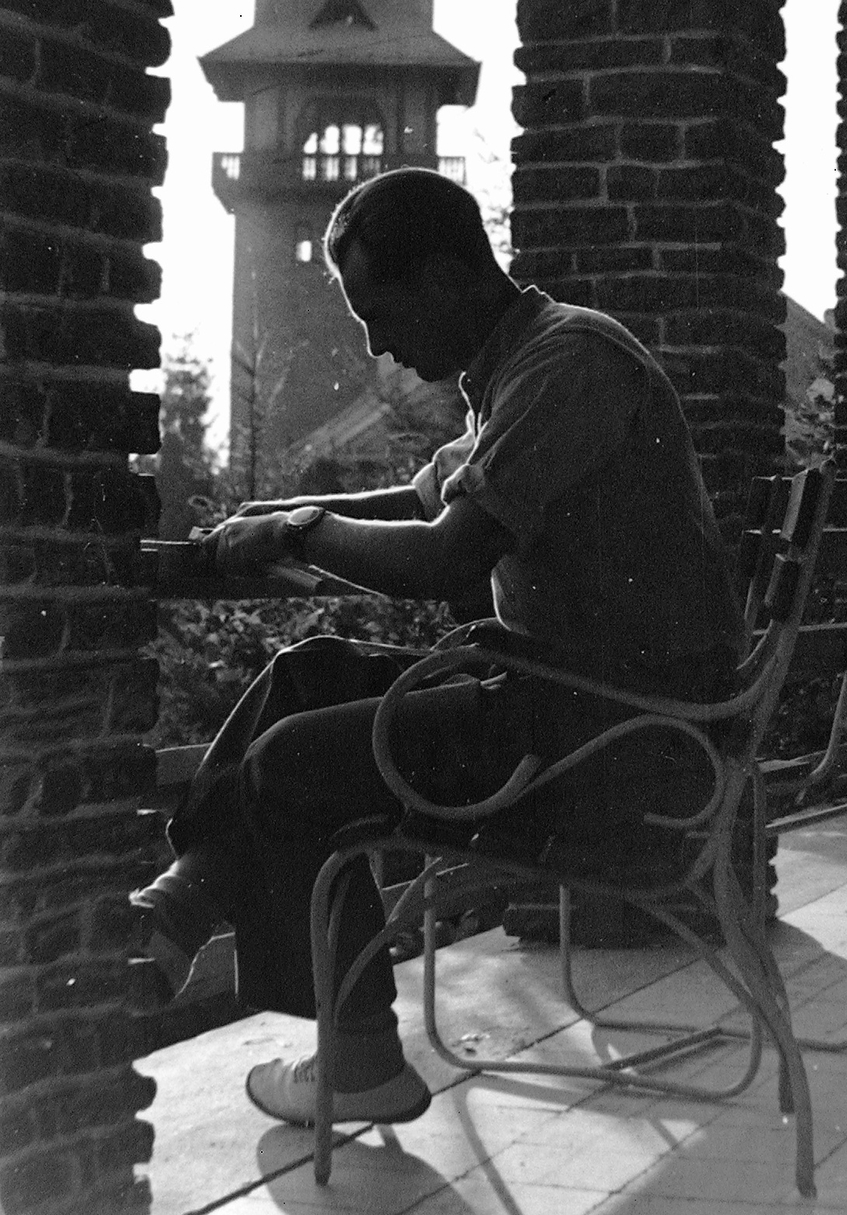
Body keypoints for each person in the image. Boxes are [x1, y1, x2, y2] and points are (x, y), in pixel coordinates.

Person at [133, 167, 743, 1130]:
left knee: (296, 764)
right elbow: (424, 502)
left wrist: (298, 533)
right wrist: (289, 514)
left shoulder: (566, 365)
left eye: (382, 311)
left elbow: (444, 554)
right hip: (579, 705)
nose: (377, 344)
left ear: (453, 275)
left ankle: (361, 1056)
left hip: (622, 742)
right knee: (309, 675)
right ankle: (185, 898)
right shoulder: (519, 366)